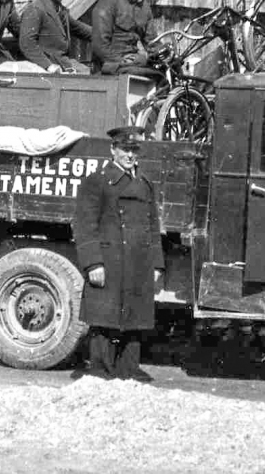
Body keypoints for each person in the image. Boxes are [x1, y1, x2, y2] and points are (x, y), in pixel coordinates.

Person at [71, 125, 165, 381]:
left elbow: (153, 226)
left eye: (135, 150)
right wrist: (93, 264)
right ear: (113, 150)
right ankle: (100, 370)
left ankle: (128, 370)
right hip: (109, 261)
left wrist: (157, 264)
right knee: (105, 318)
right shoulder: (97, 181)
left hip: (138, 262)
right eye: (125, 149)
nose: (130, 155)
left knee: (134, 318)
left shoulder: (145, 184)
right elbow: (84, 225)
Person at [19, 0, 92, 74]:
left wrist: (108, 34)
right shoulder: (36, 9)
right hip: (46, 67)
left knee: (88, 72)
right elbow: (27, 43)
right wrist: (48, 66)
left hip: (63, 63)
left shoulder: (60, 11)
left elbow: (80, 29)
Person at [91, 0, 156, 75]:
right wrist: (122, 61)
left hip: (133, 63)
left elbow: (152, 41)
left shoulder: (144, 7)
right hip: (109, 66)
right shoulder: (108, 3)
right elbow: (100, 46)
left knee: (162, 75)